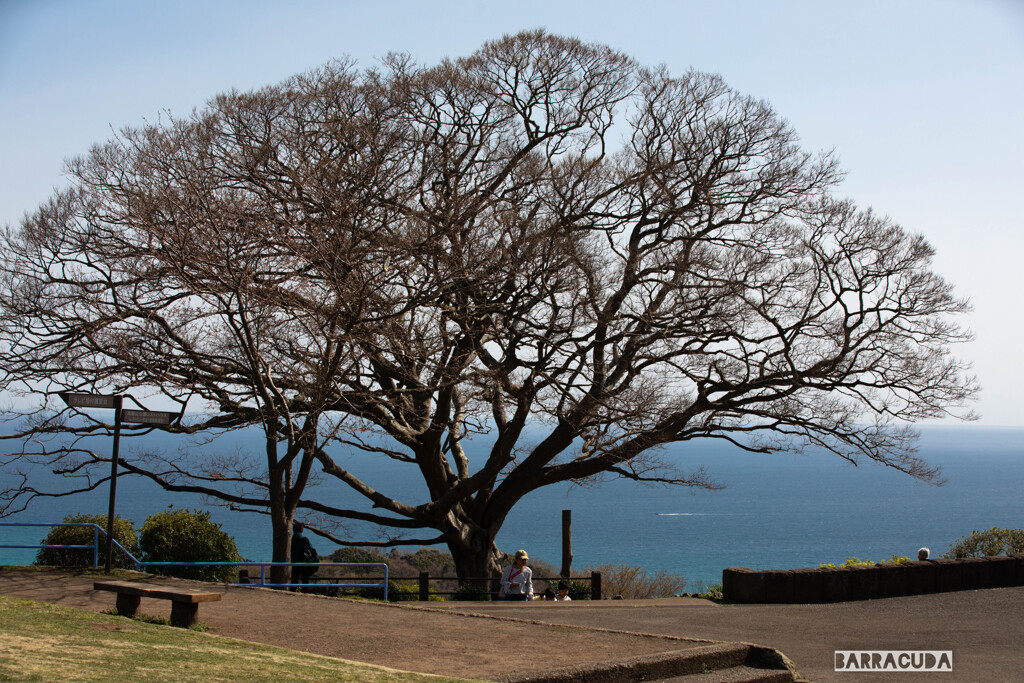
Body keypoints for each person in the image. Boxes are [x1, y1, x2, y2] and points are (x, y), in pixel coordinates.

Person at [290, 521, 319, 588]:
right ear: (301, 530)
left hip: (294, 562)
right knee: (305, 580)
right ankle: (304, 593)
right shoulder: (304, 539)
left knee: (294, 580)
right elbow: (311, 549)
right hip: (304, 562)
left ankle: (293, 591)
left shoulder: (293, 539)